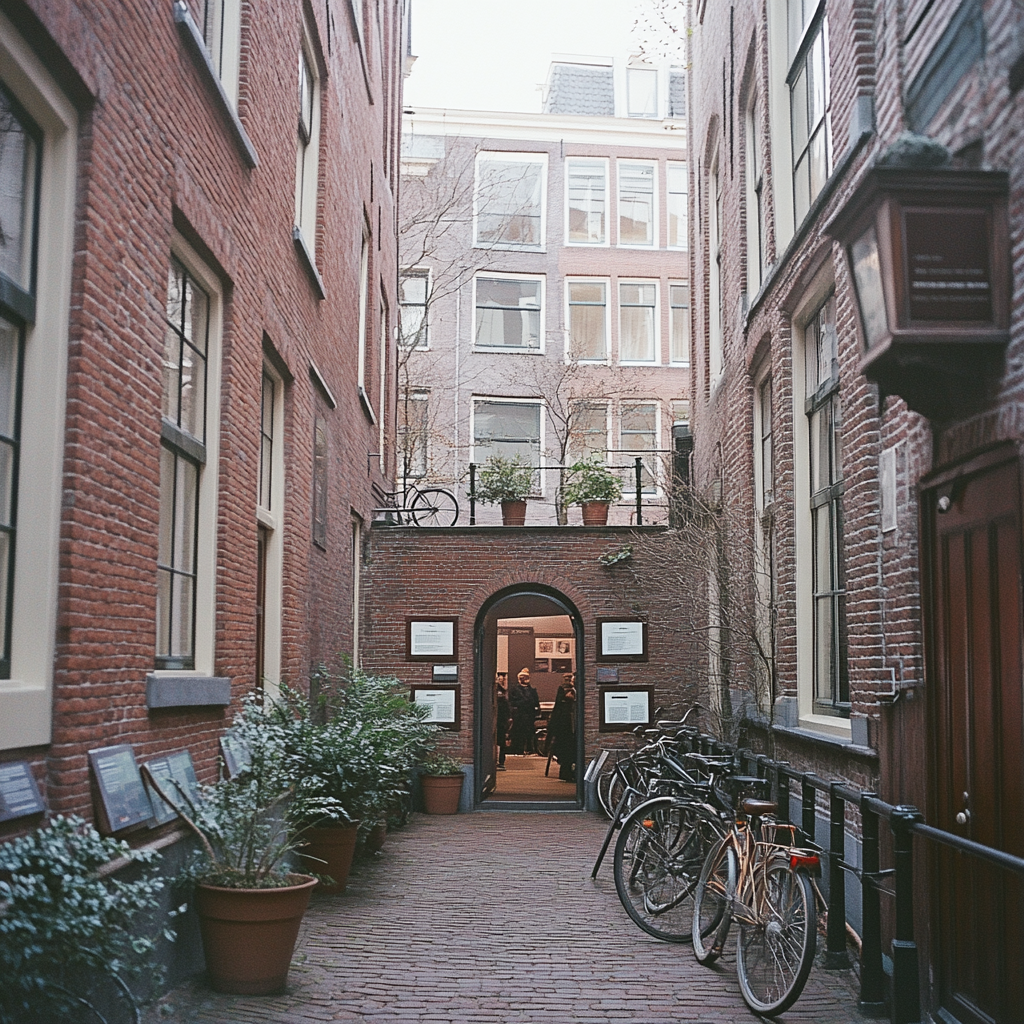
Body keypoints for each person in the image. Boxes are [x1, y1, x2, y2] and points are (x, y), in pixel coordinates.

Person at [548, 673, 577, 782]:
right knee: (567, 748)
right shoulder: (566, 691)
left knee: (567, 749)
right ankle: (567, 772)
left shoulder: (565, 690)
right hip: (566, 725)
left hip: (565, 725)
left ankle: (567, 771)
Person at [508, 668, 541, 754]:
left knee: (529, 732)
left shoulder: (532, 690)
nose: (525, 679)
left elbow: (536, 702)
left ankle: (529, 748)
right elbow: (511, 702)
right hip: (519, 715)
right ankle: (519, 749)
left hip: (529, 715)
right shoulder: (515, 690)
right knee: (519, 732)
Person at [495, 675, 511, 769]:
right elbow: (507, 709)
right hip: (502, 722)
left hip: (497, 721)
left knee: (496, 742)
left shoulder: (496, 696)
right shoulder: (503, 697)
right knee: (502, 742)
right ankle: (501, 762)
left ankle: (497, 761)